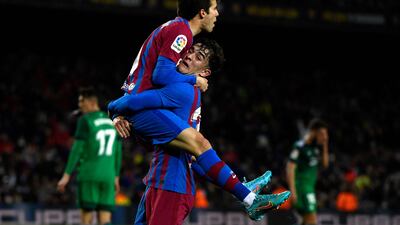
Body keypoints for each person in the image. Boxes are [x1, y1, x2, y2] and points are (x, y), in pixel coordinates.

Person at [109, 38, 290, 222]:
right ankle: (245, 192)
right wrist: (235, 187)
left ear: (205, 72)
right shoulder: (192, 93)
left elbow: (132, 102)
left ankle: (249, 197)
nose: (190, 55)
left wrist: (112, 110)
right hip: (159, 182)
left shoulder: (182, 90)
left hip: (172, 185)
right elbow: (195, 159)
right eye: (191, 50)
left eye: (199, 56)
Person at [57, 87, 122, 225]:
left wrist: (66, 175)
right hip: (108, 176)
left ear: (92, 102)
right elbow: (118, 151)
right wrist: (116, 177)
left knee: (86, 219)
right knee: (105, 220)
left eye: (82, 101)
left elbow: (76, 150)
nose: (79, 105)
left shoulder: (85, 121)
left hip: (89, 174)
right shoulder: (112, 121)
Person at [286, 119, 329, 225]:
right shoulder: (300, 146)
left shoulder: (315, 148)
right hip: (302, 189)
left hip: (309, 188)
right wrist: (293, 190)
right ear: (314, 132)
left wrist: (325, 144)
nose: (325, 137)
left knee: (306, 221)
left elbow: (325, 164)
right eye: (322, 134)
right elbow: (290, 168)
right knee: (312, 220)